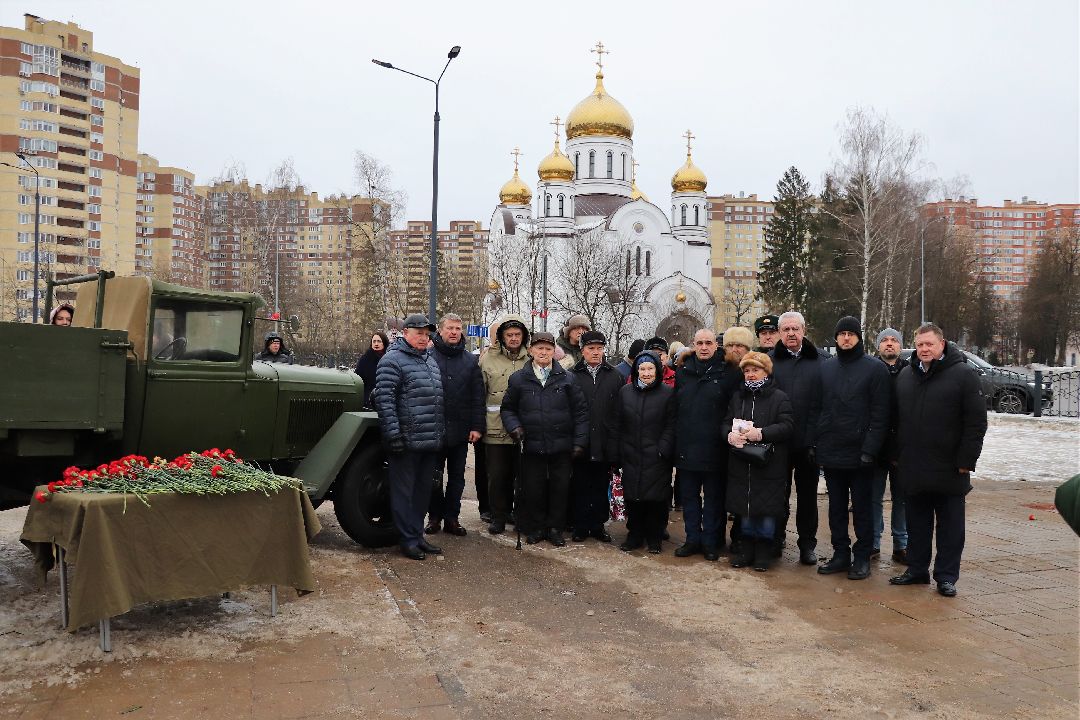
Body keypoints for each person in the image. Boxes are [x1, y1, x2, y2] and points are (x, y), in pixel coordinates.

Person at [890, 324, 987, 597]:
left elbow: (976, 423)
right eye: (920, 345)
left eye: (929, 344)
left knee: (951, 527)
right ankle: (917, 570)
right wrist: (896, 455)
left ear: (942, 344)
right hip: (914, 465)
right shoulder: (906, 376)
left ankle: (946, 576)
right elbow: (896, 421)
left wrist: (967, 460)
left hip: (950, 466)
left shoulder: (963, 375)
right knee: (917, 524)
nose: (924, 349)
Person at [815, 317, 890, 581]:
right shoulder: (826, 368)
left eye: (851, 333)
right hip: (832, 451)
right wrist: (818, 444)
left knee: (862, 509)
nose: (846, 338)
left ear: (859, 337)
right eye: (841, 333)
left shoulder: (875, 369)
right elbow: (819, 409)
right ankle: (840, 553)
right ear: (835, 338)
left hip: (861, 455)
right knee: (835, 508)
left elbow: (881, 415)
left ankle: (862, 556)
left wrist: (870, 450)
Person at [500, 331, 589, 546]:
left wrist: (579, 442)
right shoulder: (519, 378)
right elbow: (508, 409)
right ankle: (537, 527)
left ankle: (555, 528)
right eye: (539, 348)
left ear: (554, 352)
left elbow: (580, 413)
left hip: (561, 445)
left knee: (559, 489)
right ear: (531, 350)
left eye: (548, 349)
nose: (543, 352)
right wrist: (515, 427)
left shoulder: (567, 378)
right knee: (533, 488)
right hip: (531, 445)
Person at [372, 314, 446, 560]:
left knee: (422, 492)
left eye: (427, 334)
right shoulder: (392, 361)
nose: (424, 338)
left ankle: (417, 535)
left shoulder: (429, 360)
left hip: (428, 440)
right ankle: (406, 539)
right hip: (405, 440)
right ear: (405, 334)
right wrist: (393, 435)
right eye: (419, 333)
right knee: (404, 492)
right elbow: (385, 401)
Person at [672, 328, 741, 560]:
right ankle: (692, 540)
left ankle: (711, 542)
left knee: (714, 499)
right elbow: (676, 409)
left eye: (708, 343)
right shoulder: (683, 372)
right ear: (693, 344)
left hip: (716, 448)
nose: (703, 347)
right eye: (699, 343)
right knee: (690, 499)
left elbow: (734, 408)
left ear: (716, 345)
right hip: (687, 447)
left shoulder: (729, 372)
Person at [723, 352, 794, 571]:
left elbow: (787, 426)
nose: (751, 375)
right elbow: (726, 421)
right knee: (745, 510)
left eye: (755, 370)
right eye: (747, 371)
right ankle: (746, 549)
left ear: (766, 371)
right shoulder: (738, 397)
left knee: (766, 512)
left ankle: (764, 551)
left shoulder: (779, 397)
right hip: (742, 464)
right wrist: (729, 435)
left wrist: (761, 433)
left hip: (769, 464)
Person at [768, 310, 824, 565]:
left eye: (795, 329)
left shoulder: (821, 361)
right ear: (780, 333)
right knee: (777, 493)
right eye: (786, 329)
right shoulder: (769, 362)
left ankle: (807, 544)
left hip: (807, 442)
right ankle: (777, 537)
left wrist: (816, 438)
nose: (791, 333)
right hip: (778, 441)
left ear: (804, 330)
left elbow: (825, 403)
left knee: (808, 496)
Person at [426, 314, 485, 537]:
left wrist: (477, 427)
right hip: (434, 429)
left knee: (457, 478)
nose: (454, 332)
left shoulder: (470, 361)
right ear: (440, 331)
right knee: (433, 478)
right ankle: (434, 517)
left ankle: (452, 517)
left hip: (461, 431)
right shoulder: (427, 357)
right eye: (450, 328)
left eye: (458, 328)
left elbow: (478, 397)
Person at [613, 351, 677, 554]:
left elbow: (671, 424)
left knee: (656, 500)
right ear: (636, 370)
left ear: (657, 370)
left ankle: (655, 537)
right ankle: (634, 535)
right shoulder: (625, 392)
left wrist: (663, 448)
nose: (646, 373)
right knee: (633, 497)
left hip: (657, 456)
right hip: (631, 454)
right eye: (642, 369)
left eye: (650, 368)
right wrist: (620, 449)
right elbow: (618, 423)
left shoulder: (667, 393)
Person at [480, 314, 531, 534]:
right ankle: (498, 517)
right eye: (509, 335)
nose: (513, 338)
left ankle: (520, 516)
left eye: (517, 334)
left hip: (524, 430)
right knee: (498, 476)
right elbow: (479, 394)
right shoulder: (487, 359)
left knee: (523, 478)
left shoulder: (531, 358)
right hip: (495, 429)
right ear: (501, 337)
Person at [569, 331, 622, 542]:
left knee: (601, 486)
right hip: (580, 442)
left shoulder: (615, 376)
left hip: (605, 441)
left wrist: (615, 443)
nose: (595, 352)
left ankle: (598, 525)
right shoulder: (571, 375)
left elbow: (619, 413)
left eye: (599, 348)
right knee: (580, 485)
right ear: (582, 350)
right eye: (591, 348)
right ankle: (580, 525)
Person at [873, 328, 909, 563]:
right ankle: (873, 542)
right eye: (884, 340)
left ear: (900, 346)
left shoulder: (911, 372)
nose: (889, 344)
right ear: (878, 346)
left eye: (894, 340)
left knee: (902, 498)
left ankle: (901, 545)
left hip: (903, 446)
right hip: (875, 446)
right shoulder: (870, 369)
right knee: (873, 497)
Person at [720, 326, 755, 551]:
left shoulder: (752, 370)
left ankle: (742, 535)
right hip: (725, 435)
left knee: (746, 489)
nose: (734, 349)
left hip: (749, 438)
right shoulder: (721, 370)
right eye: (730, 345)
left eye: (739, 345)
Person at [354, 331, 389, 407]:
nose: (376, 344)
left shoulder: (390, 358)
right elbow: (358, 379)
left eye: (379, 341)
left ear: (384, 343)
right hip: (369, 399)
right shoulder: (365, 359)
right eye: (374, 341)